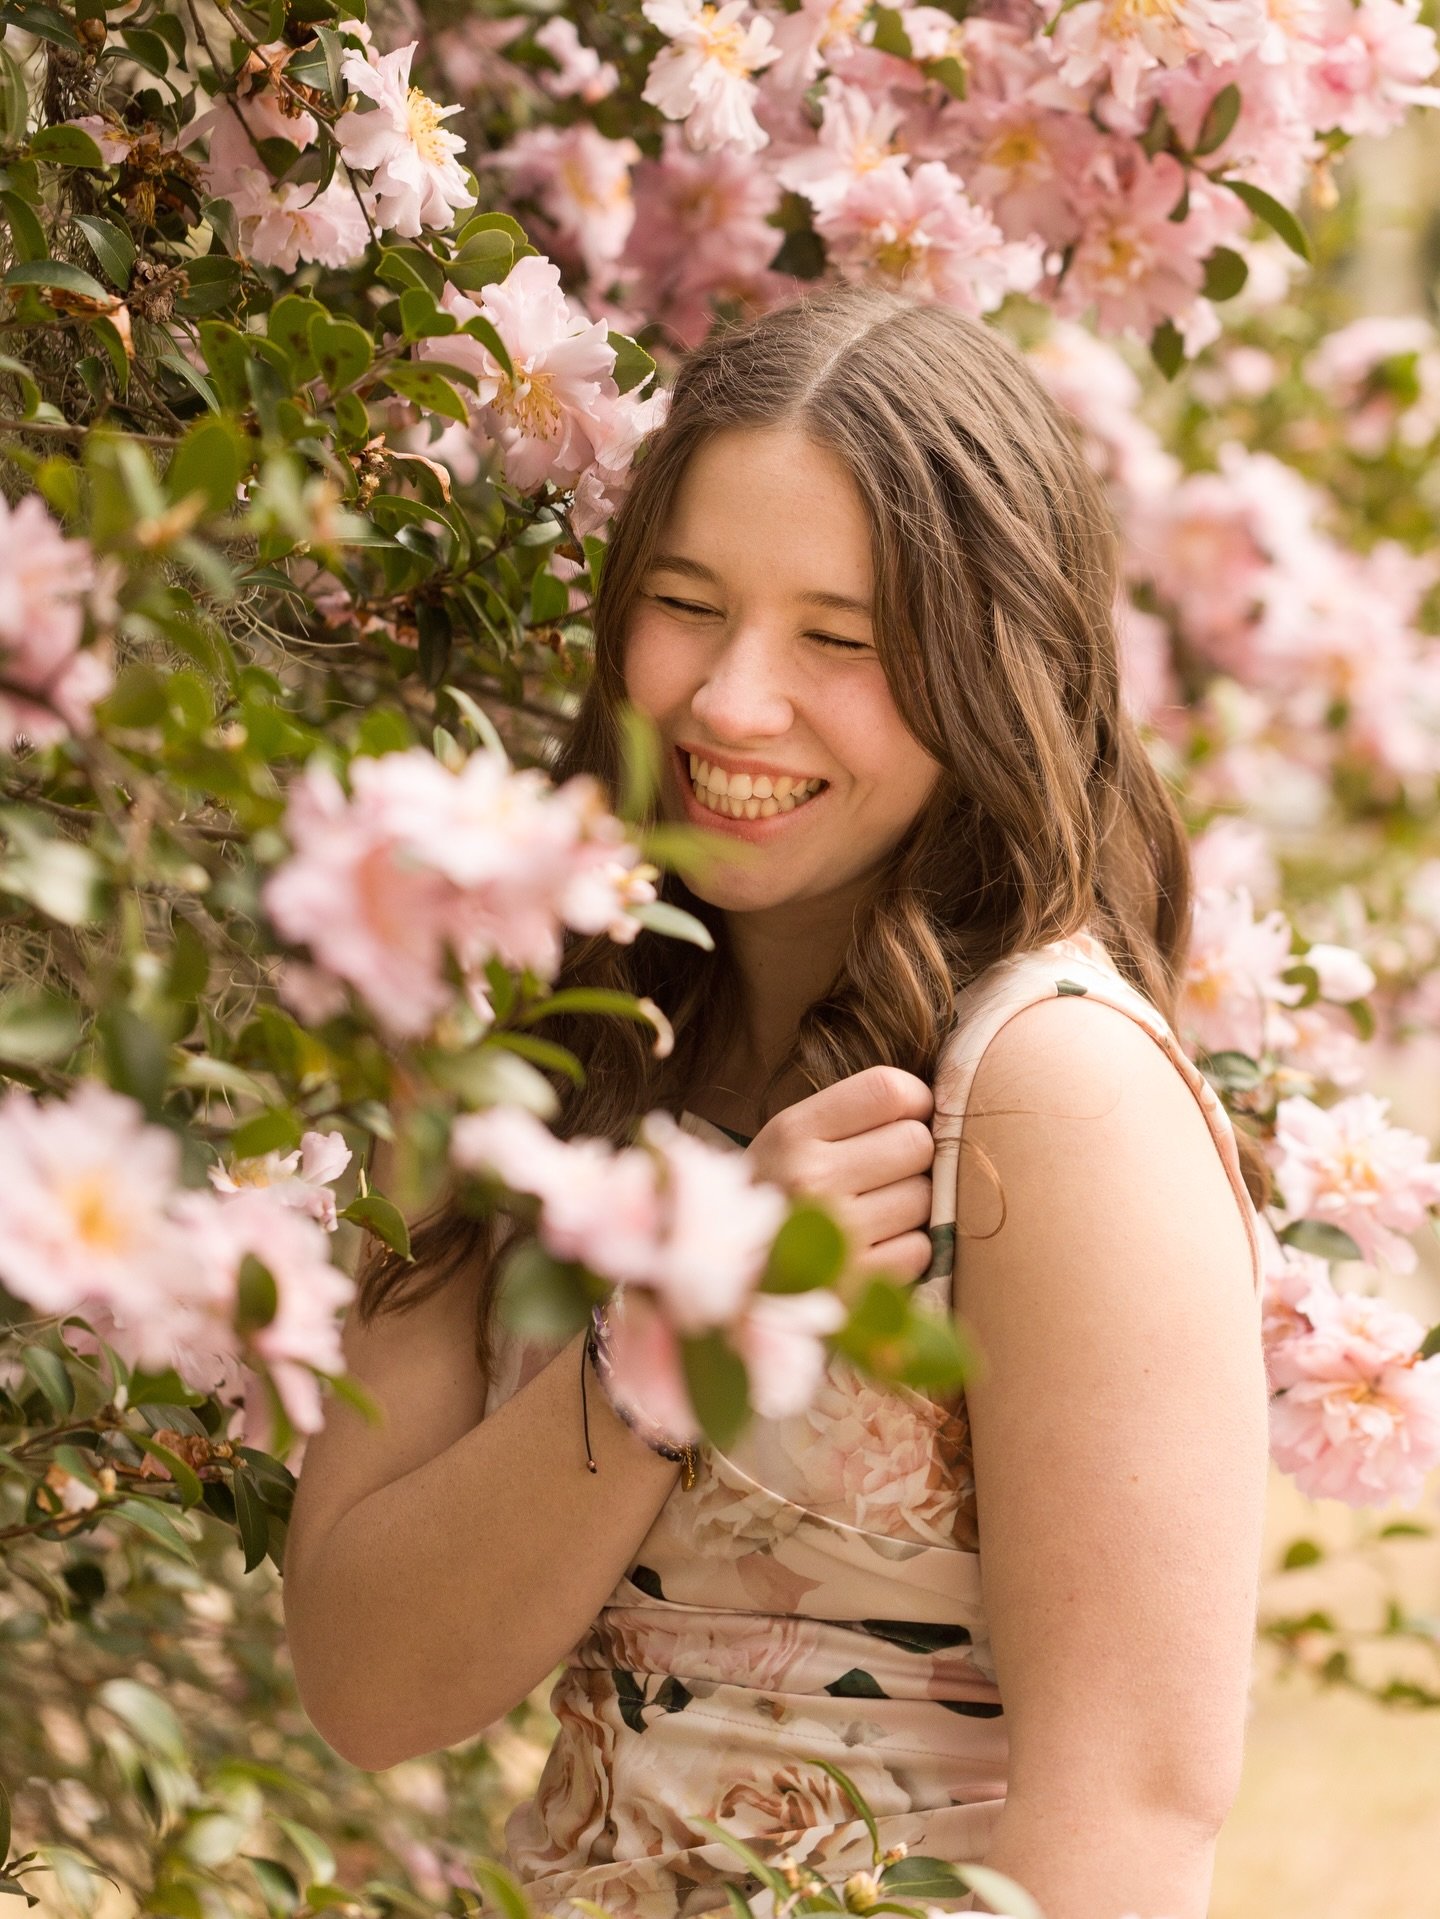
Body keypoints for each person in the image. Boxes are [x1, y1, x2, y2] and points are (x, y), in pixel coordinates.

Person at [281, 283, 1271, 1919]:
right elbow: (370, 1680)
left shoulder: (1051, 1097)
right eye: (686, 605)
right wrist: (678, 1326)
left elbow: (1132, 1828)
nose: (735, 703)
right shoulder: (516, 1030)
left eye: (842, 638)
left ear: (991, 662)